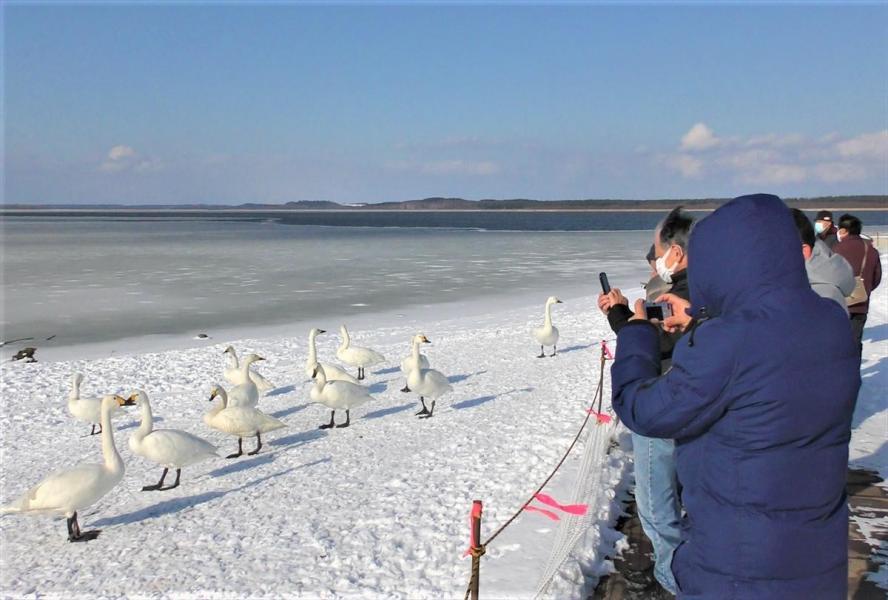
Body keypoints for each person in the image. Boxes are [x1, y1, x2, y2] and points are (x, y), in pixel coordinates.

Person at [610, 194, 859, 598]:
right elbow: (767, 340)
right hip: (815, 560)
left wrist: (634, 333)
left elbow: (644, 410)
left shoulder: (730, 343)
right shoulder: (827, 320)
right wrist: (698, 314)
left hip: (738, 570)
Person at [597, 207, 695, 597]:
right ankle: (671, 570)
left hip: (663, 405)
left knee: (656, 508)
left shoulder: (687, 296)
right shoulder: (705, 291)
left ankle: (674, 582)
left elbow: (654, 341)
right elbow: (653, 330)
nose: (655, 262)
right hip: (681, 406)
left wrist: (632, 321)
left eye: (657, 253)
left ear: (676, 252)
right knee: (675, 500)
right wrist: (625, 316)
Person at [833, 213, 882, 358]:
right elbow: (876, 278)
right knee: (855, 340)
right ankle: (854, 373)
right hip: (861, 302)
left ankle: (840, 372)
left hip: (839, 303)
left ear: (844, 230)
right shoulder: (871, 251)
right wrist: (864, 288)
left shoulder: (837, 249)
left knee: (838, 340)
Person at [790, 209, 855, 315]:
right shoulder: (816, 240)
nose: (818, 224)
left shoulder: (822, 296)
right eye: (817, 221)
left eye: (821, 222)